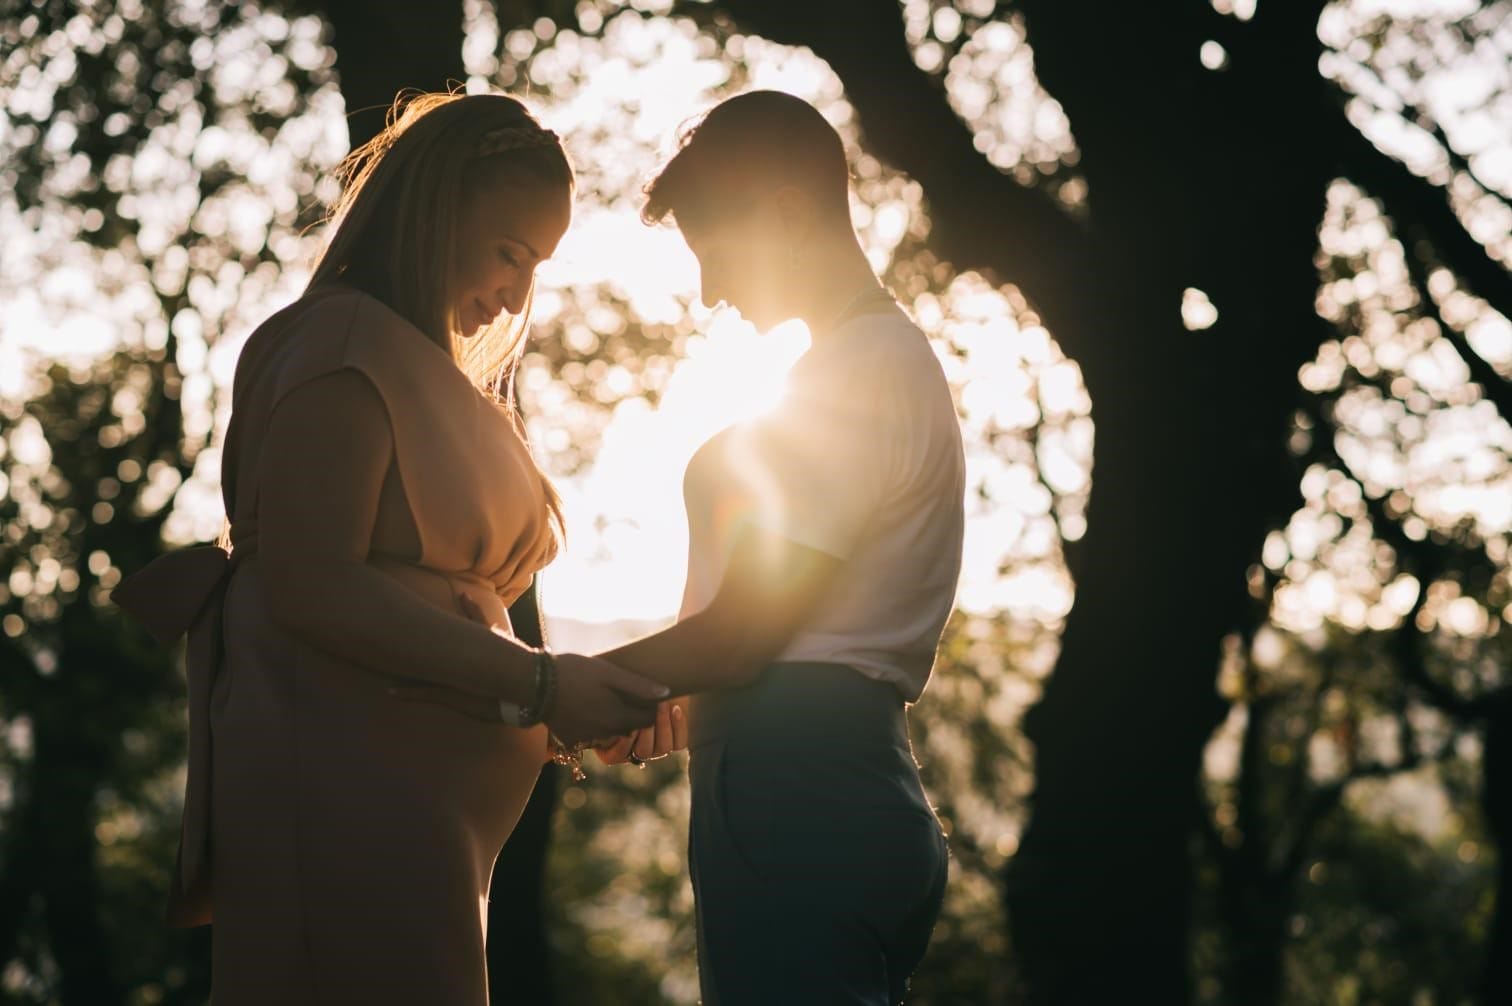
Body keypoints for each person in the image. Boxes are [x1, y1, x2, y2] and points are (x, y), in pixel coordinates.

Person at [114, 92, 666, 1005]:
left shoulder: (409, 358)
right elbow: (308, 579)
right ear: (435, 207)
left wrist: (560, 702)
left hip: (406, 821)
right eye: (510, 254)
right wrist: (538, 684)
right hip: (343, 802)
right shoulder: (342, 344)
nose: (519, 296)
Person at [425, 89, 966, 1003]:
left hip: (800, 784)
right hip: (830, 777)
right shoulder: (869, 365)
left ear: (786, 214)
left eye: (714, 248)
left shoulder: (859, 373)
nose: (711, 288)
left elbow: (742, 634)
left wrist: (547, 693)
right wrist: (677, 689)